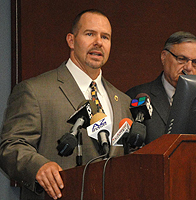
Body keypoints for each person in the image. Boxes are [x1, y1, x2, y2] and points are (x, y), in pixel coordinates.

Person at [0, 9, 132, 200]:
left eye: (105, 37)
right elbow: (11, 147)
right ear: (71, 40)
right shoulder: (35, 91)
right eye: (90, 34)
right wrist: (38, 167)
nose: (98, 42)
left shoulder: (123, 101)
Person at [126, 31, 196, 144]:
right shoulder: (135, 96)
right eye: (181, 59)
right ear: (164, 57)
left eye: (195, 62)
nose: (189, 68)